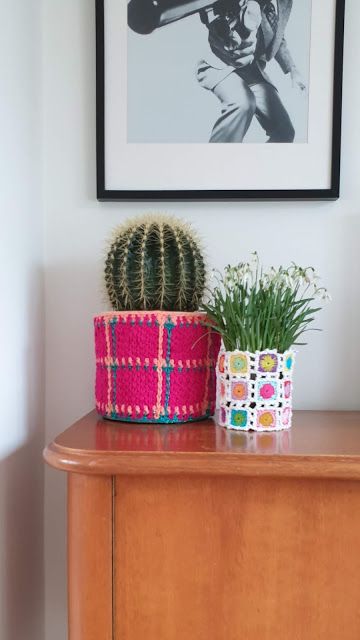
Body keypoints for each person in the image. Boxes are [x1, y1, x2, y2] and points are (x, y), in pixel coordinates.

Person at [197, 0, 306, 143]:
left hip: (252, 70)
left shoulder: (285, 3)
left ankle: (255, 164)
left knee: (284, 131)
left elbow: (278, 36)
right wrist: (228, 32)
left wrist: (293, 69)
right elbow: (217, 18)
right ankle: (216, 161)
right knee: (243, 103)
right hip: (222, 64)